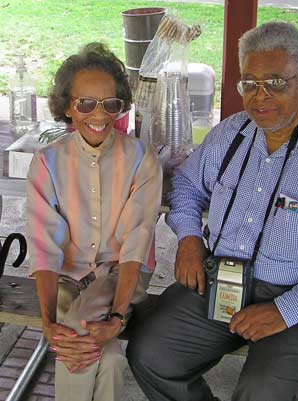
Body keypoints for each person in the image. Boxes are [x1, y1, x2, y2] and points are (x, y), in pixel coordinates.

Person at [126, 22, 298, 401]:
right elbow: (186, 184)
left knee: (260, 391)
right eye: (249, 83)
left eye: (274, 83)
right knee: (151, 354)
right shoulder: (231, 134)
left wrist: (285, 309)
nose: (259, 96)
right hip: (225, 281)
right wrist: (188, 237)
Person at [26, 42, 162, 401]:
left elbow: (135, 244)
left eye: (110, 104)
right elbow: (44, 249)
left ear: (122, 107)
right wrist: (46, 322)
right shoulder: (47, 162)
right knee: (111, 358)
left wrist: (116, 317)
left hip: (120, 275)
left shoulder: (142, 159)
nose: (98, 114)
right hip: (67, 276)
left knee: (77, 332)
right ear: (68, 106)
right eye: (85, 103)